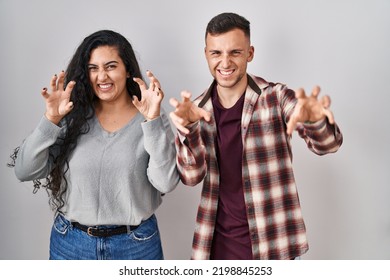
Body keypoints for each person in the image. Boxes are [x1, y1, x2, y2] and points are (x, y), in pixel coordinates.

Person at [169, 13, 343, 260]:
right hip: (216, 246)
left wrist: (314, 120)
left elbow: (328, 144)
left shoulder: (277, 97)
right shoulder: (196, 109)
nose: (225, 62)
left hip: (272, 244)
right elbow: (191, 177)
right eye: (216, 53)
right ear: (206, 54)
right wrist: (188, 130)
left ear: (250, 53)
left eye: (235, 52)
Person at [9, 30, 179, 260]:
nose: (102, 77)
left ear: (127, 70)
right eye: (93, 68)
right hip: (71, 245)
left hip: (136, 247)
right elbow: (24, 170)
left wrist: (152, 122)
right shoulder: (71, 115)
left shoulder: (152, 117)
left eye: (110, 66)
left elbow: (165, 182)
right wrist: (51, 120)